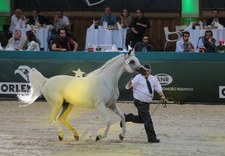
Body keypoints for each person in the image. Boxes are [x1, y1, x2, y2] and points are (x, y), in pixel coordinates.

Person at [121, 64, 166, 143]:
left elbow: (158, 88)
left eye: (149, 71)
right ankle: (152, 138)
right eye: (147, 71)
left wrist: (162, 96)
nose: (148, 72)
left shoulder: (153, 78)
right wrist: (131, 81)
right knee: (148, 120)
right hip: (139, 101)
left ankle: (127, 117)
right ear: (143, 71)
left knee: (142, 119)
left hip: (147, 102)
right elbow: (127, 87)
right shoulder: (138, 77)